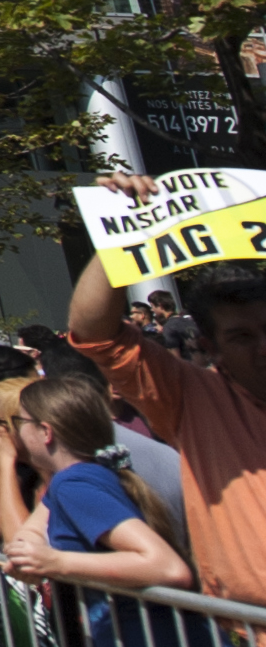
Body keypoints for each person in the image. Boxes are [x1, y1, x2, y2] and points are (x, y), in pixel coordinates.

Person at [0, 369, 231, 647]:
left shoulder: (77, 485)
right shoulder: (73, 481)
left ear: (45, 432)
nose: (13, 435)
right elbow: (23, 542)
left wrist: (57, 561)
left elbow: (167, 567)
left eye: (18, 425)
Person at [65, 224, 266, 610]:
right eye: (242, 337)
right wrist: (123, 233)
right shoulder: (194, 397)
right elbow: (94, 332)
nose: (263, 348)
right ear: (210, 347)